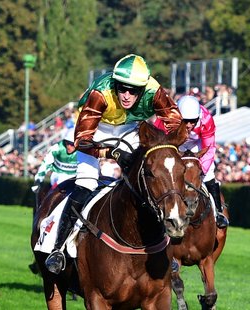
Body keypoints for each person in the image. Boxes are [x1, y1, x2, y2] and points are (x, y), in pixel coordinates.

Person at [44, 54, 182, 274]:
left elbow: (176, 123)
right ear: (115, 83)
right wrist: (112, 153)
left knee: (146, 184)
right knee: (86, 183)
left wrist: (165, 146)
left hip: (130, 128)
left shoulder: (154, 91)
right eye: (122, 88)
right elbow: (82, 141)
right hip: (95, 128)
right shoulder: (101, 93)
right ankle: (59, 248)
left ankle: (163, 247)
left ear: (143, 88)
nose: (127, 96)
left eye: (133, 91)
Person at [156, 95, 229, 228]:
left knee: (210, 172)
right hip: (174, 143)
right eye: (186, 121)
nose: (189, 125)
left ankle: (218, 212)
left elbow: (209, 148)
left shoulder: (206, 119)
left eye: (193, 121)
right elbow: (159, 143)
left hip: (197, 144)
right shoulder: (166, 118)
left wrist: (200, 170)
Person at [32, 128, 77, 193]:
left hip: (75, 177)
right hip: (58, 175)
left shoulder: (83, 151)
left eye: (73, 144)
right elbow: (46, 164)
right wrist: (38, 179)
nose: (69, 146)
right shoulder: (56, 148)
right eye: (67, 143)